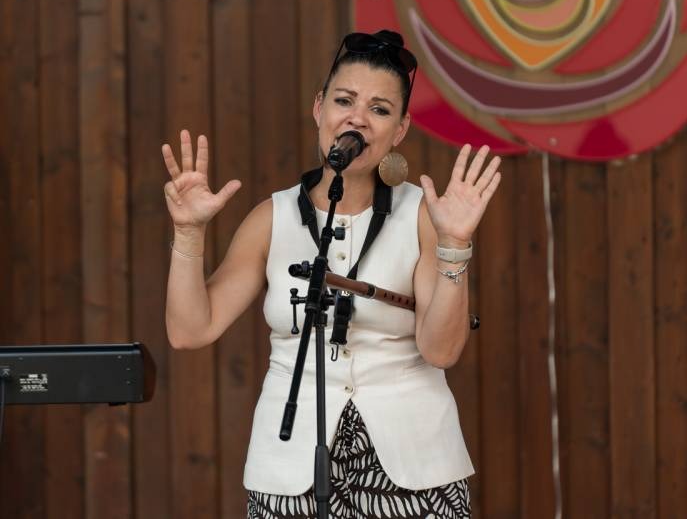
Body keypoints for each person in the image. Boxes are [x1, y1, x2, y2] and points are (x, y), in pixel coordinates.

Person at [162, 29, 501, 519]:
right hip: (289, 465)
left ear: (399, 130)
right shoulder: (272, 218)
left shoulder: (423, 216)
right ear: (319, 108)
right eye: (344, 100)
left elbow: (441, 351)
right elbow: (189, 331)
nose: (357, 118)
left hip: (416, 463)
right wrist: (189, 232)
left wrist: (453, 245)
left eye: (380, 109)